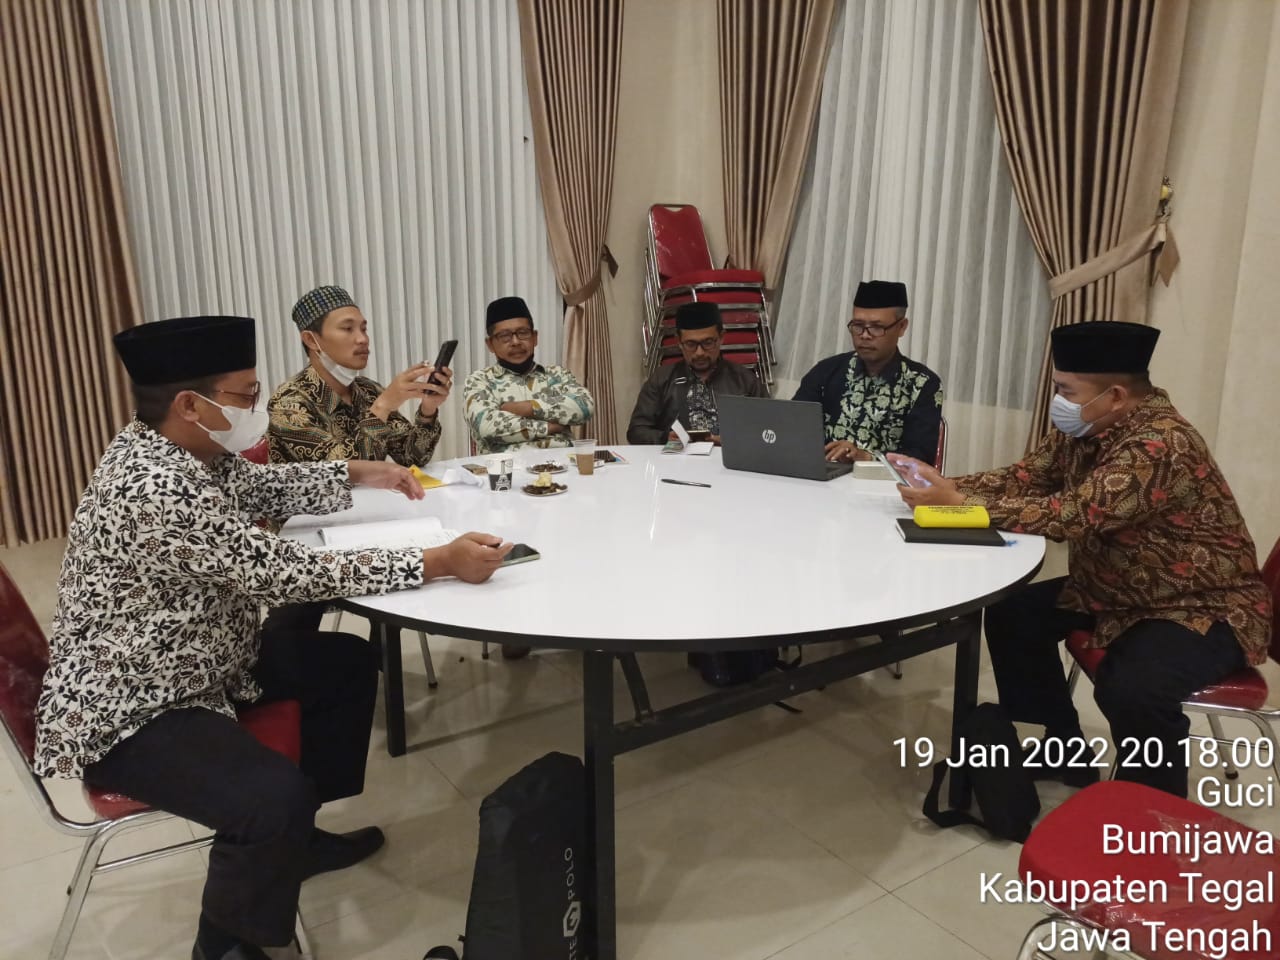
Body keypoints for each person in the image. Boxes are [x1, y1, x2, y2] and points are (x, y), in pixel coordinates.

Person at [34, 315, 512, 960]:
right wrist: (435, 562)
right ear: (190, 404)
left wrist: (358, 472)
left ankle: (298, 840)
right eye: (246, 394)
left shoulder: (176, 447)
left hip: (202, 664)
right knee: (268, 802)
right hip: (136, 702)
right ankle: (226, 946)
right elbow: (283, 573)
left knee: (343, 663)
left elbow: (259, 484)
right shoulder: (154, 487)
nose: (256, 407)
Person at [891, 321, 1272, 798]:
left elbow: (1073, 514)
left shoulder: (1159, 444)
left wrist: (960, 505)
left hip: (1198, 605)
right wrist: (947, 485)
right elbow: (1027, 477)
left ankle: (1152, 813)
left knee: (1133, 688)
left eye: (1066, 391)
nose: (1059, 401)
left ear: (1115, 396)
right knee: (1014, 614)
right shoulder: (1088, 426)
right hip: (1114, 589)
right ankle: (1065, 751)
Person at [268, 284, 450, 466]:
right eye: (347, 328)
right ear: (311, 340)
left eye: (363, 329)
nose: (363, 339)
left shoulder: (367, 390)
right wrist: (382, 406)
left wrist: (428, 409)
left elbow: (411, 457)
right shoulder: (288, 404)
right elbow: (342, 472)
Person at [793, 280, 942, 464]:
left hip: (882, 481)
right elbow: (792, 427)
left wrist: (866, 458)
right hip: (824, 476)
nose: (864, 335)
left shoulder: (923, 384)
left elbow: (920, 457)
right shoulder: (826, 372)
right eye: (858, 325)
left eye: (877, 327)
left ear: (902, 327)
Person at [464, 296, 595, 454]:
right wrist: (547, 427)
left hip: (562, 463)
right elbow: (486, 425)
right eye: (505, 336)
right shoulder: (480, 381)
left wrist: (528, 408)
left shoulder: (556, 375)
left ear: (535, 337)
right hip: (505, 467)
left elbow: (585, 406)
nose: (515, 342)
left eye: (523, 333)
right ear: (490, 344)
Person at [626, 301, 767, 444]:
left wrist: (732, 440)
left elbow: (769, 429)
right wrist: (665, 438)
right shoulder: (662, 379)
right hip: (678, 457)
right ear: (679, 342)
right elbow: (636, 431)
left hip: (728, 457)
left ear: (721, 337)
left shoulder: (745, 381)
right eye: (691, 344)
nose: (699, 352)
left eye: (708, 343)